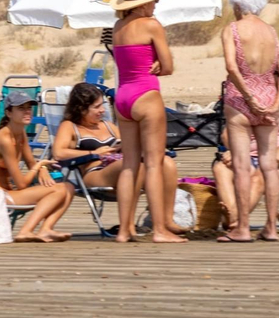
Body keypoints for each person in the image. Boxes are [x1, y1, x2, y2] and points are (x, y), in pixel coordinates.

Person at [49, 82, 183, 234]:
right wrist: (94, 153)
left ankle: (167, 220)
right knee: (132, 167)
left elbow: (128, 143)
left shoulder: (107, 125)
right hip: (95, 172)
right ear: (81, 108)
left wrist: (124, 146)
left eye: (102, 105)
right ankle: (128, 225)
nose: (102, 110)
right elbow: (59, 153)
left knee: (167, 163)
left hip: (121, 165)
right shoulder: (70, 126)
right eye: (96, 107)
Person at [109, 0, 183, 243]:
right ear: (140, 5)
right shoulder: (152, 25)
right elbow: (169, 66)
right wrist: (159, 66)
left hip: (123, 97)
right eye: (153, 0)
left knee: (129, 165)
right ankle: (160, 230)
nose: (156, 4)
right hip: (146, 94)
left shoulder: (117, 26)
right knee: (153, 164)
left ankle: (123, 230)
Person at [218, 0, 279, 242]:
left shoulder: (233, 29)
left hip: (241, 100)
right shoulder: (270, 32)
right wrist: (276, 103)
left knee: (240, 166)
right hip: (269, 101)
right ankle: (271, 227)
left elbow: (231, 66)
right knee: (269, 166)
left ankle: (243, 228)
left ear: (237, 4)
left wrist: (249, 97)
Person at [213, 85, 279, 234]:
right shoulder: (253, 100)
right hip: (248, 153)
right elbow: (227, 134)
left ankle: (234, 217)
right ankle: (234, 218)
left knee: (262, 175)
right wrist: (235, 151)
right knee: (221, 168)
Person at [0, 91, 75, 242]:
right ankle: (26, 231)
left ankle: (46, 229)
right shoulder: (4, 139)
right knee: (60, 188)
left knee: (69, 188)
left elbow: (31, 162)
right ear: (9, 113)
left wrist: (42, 169)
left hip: (8, 192)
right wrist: (39, 166)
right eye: (21, 108)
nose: (27, 111)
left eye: (29, 108)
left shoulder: (20, 133)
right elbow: (22, 184)